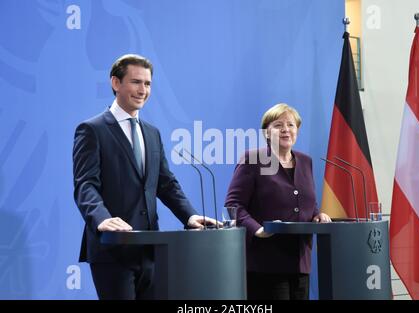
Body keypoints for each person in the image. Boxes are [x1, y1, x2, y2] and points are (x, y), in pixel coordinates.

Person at [73, 54, 216, 300]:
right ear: (116, 83)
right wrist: (101, 219)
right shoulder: (91, 129)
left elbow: (165, 183)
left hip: (151, 250)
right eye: (136, 82)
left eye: (148, 84)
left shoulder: (152, 133)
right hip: (113, 248)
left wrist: (190, 215)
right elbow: (85, 184)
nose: (143, 90)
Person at [225, 103, 331, 300]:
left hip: (300, 262)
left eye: (291, 125)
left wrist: (318, 215)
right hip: (265, 263)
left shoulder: (305, 161)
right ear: (266, 132)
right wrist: (257, 229)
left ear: (297, 130)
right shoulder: (254, 160)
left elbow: (307, 202)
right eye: (278, 125)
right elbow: (233, 205)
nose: (285, 130)